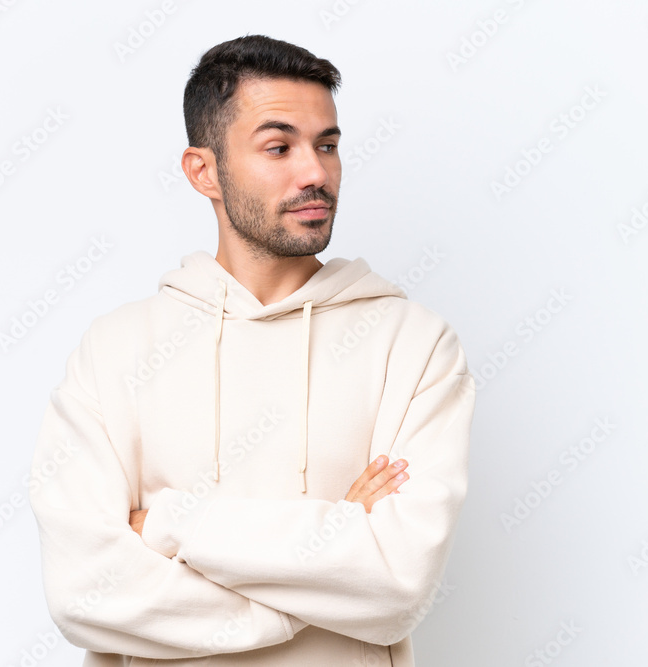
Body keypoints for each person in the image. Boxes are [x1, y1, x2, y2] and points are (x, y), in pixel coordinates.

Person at [28, 34, 476, 667]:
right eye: (279, 147)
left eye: (327, 145)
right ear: (203, 171)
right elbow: (85, 593)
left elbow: (396, 585)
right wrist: (326, 567)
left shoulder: (413, 345)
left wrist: (169, 525)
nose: (315, 172)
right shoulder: (116, 350)